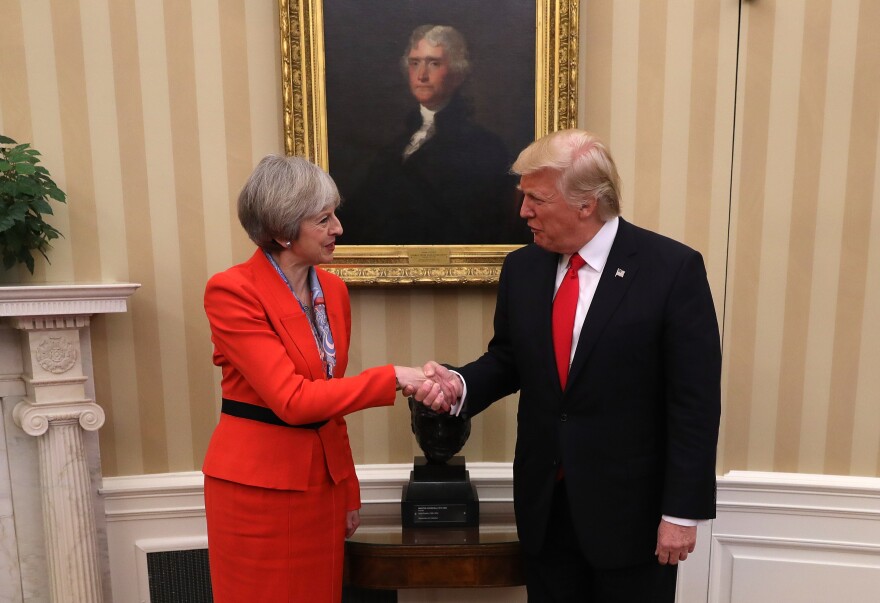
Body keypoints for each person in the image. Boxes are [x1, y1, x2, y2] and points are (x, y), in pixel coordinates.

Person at [418, 129, 722, 602]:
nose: (523, 212)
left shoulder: (671, 269)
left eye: (536, 199)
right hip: (547, 510)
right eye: (523, 198)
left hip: (632, 519)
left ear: (587, 204)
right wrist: (458, 384)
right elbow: (507, 360)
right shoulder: (523, 268)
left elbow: (695, 403)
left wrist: (682, 514)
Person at [201, 154, 444, 602]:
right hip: (258, 493)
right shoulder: (232, 291)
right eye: (323, 219)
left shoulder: (332, 291)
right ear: (281, 230)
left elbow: (329, 400)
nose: (339, 228)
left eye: (335, 214)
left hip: (321, 487)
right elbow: (292, 400)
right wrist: (391, 376)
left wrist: (347, 487)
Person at [337, 24, 530, 245]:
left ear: (457, 74)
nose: (422, 75)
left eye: (434, 63)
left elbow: (480, 225)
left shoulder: (484, 146)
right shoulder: (396, 146)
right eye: (415, 63)